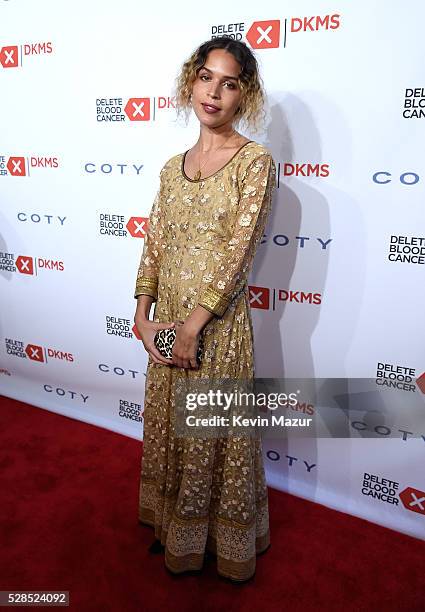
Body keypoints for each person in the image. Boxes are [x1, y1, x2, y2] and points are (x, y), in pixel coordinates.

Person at [133, 35, 277, 583]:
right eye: (206, 77)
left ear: (245, 96)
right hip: (165, 323)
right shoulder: (173, 167)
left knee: (212, 437)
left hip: (214, 332)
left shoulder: (254, 163)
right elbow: (154, 244)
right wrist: (144, 316)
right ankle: (173, 530)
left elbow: (239, 255)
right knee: (172, 430)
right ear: (190, 82)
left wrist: (195, 326)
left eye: (230, 82)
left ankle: (217, 547)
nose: (214, 92)